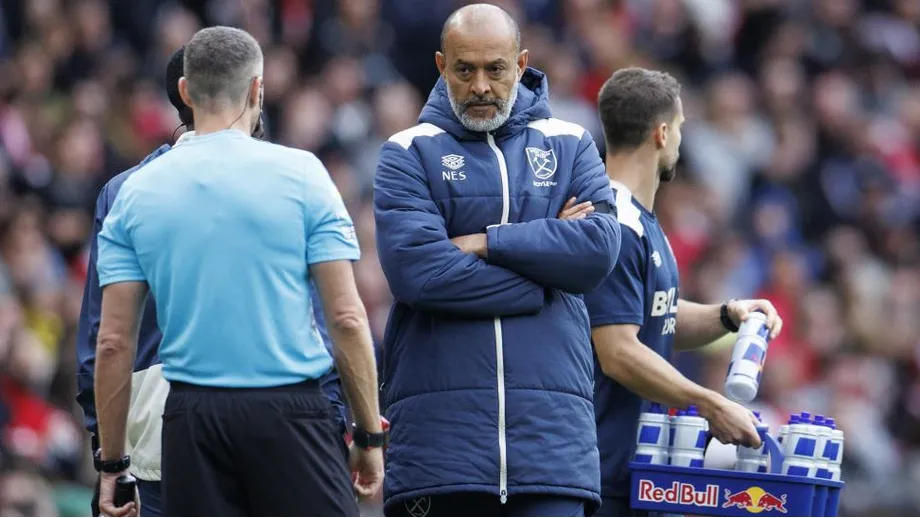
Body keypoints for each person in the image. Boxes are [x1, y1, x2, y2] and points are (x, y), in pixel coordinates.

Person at [92, 26, 382, 517]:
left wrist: (114, 464)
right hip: (292, 413)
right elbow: (347, 318)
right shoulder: (304, 174)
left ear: (185, 91)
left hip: (190, 420)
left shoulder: (134, 194)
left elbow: (113, 343)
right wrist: (369, 434)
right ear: (257, 90)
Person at [374, 4, 621, 517]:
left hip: (551, 449)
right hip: (442, 454)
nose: (481, 86)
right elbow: (420, 274)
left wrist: (487, 243)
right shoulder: (407, 152)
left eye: (496, 69)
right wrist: (543, 281)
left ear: (521, 63)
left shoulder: (571, 143)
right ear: (442, 66)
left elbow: (597, 250)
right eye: (465, 70)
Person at [584, 67, 784, 517]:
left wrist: (727, 315)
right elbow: (618, 351)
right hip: (596, 472)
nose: (679, 140)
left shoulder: (640, 221)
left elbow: (657, 319)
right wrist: (709, 403)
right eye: (679, 127)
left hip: (632, 471)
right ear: (661, 133)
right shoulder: (613, 223)